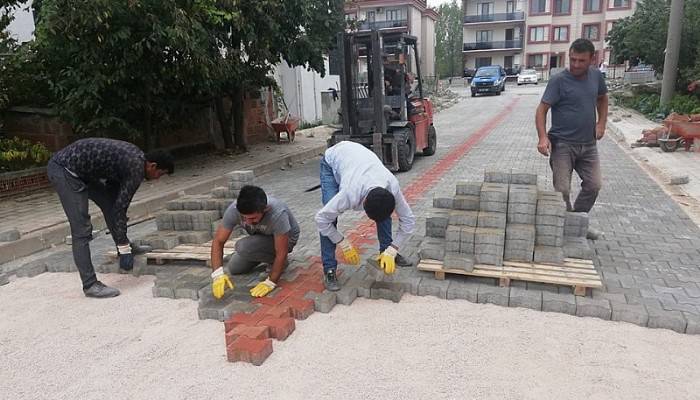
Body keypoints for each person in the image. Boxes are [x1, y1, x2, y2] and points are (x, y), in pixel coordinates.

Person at [47, 138, 174, 298]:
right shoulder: (136, 168)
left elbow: (115, 201)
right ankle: (90, 285)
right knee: (81, 229)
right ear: (153, 165)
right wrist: (123, 248)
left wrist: (123, 244)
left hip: (83, 171)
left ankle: (125, 245)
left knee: (110, 205)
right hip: (65, 170)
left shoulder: (135, 158)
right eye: (160, 174)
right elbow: (121, 208)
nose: (157, 178)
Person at [316, 141, 415, 291]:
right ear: (364, 203)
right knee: (330, 217)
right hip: (332, 162)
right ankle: (329, 269)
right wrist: (342, 242)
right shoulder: (349, 193)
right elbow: (321, 219)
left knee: (383, 212)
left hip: (360, 161)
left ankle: (386, 252)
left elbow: (408, 220)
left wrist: (393, 249)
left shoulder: (391, 186)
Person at [535, 38, 608, 239]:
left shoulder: (596, 77)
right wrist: (543, 137)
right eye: (572, 59)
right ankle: (572, 225)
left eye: (581, 61)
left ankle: (576, 222)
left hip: (588, 145)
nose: (575, 65)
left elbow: (602, 99)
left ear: (592, 59)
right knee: (562, 189)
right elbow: (542, 110)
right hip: (562, 145)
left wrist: (601, 123)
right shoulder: (559, 81)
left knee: (594, 185)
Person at [209, 185, 300, 299]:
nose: (247, 222)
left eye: (252, 218)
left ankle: (279, 263)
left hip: (286, 240)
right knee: (234, 268)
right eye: (244, 217)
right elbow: (218, 241)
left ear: (265, 209)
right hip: (260, 237)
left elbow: (281, 251)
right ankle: (263, 255)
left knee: (243, 246)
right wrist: (217, 274)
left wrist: (271, 282)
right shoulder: (234, 209)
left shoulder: (277, 213)